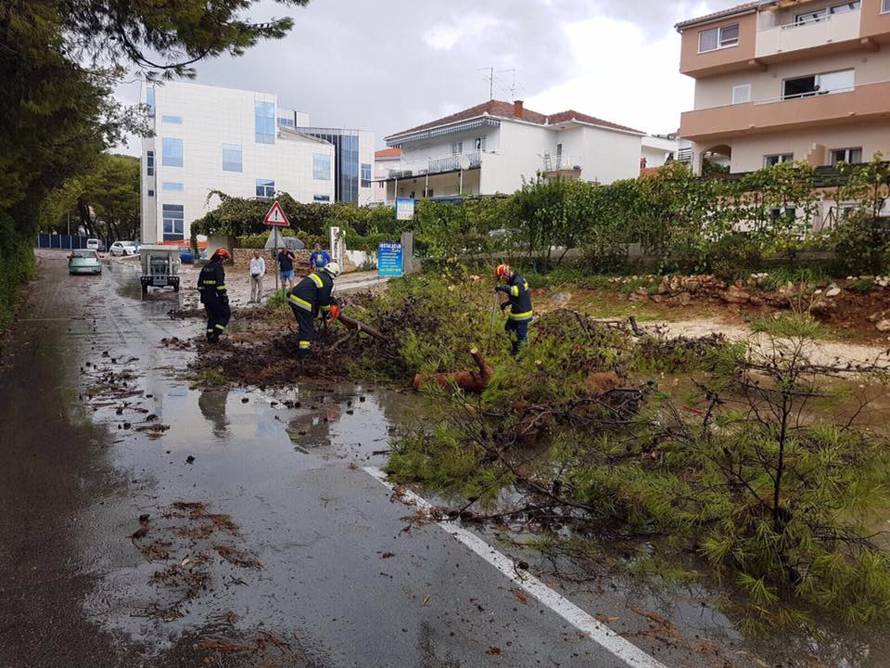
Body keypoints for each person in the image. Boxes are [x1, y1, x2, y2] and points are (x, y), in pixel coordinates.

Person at [287, 262, 342, 359]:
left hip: (293, 299)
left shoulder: (316, 275)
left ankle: (300, 346)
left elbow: (316, 296)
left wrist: (316, 312)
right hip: (304, 304)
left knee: (304, 326)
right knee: (307, 330)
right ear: (335, 274)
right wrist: (327, 312)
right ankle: (303, 355)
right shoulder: (328, 282)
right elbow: (323, 301)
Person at [495, 264, 533, 356]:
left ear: (506, 273)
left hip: (523, 314)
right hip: (516, 312)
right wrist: (506, 304)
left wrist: (502, 287)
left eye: (503, 277)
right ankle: (516, 349)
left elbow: (516, 292)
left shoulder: (518, 280)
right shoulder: (513, 280)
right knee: (508, 328)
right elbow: (517, 298)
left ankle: (523, 358)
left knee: (521, 337)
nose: (503, 280)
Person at [198, 248, 231, 343]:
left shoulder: (205, 267)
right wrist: (224, 297)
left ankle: (209, 336)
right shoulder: (218, 268)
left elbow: (200, 285)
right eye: (224, 259)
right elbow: (220, 285)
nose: (224, 262)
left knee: (212, 318)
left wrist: (204, 295)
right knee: (225, 315)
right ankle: (215, 335)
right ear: (221, 258)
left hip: (206, 298)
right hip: (216, 298)